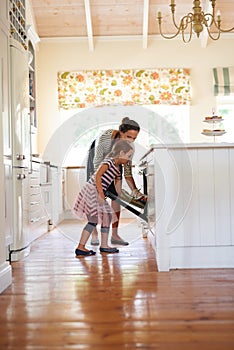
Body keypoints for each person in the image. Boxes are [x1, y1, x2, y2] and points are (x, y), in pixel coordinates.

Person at [88, 117, 146, 246]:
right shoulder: (107, 136)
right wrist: (101, 187)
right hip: (96, 165)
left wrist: (135, 192)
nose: (130, 141)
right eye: (128, 136)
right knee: (96, 197)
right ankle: (94, 233)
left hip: (114, 164)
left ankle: (114, 234)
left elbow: (127, 172)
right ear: (121, 132)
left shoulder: (129, 147)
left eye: (134, 138)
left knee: (116, 197)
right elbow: (97, 160)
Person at [73, 139, 134, 256]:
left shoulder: (117, 169)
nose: (129, 159)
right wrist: (101, 194)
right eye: (129, 155)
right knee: (94, 220)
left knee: (106, 217)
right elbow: (98, 176)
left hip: (97, 192)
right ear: (121, 153)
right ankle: (82, 247)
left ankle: (103, 246)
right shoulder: (109, 162)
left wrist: (129, 197)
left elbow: (118, 189)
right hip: (92, 191)